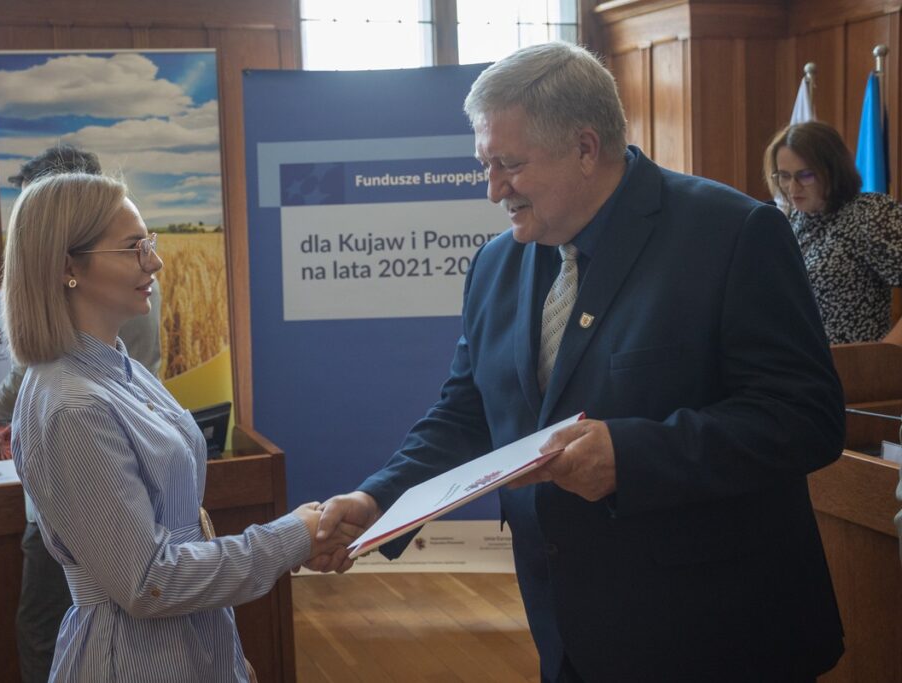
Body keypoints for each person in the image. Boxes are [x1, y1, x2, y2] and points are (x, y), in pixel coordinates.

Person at [310, 42, 845, 682]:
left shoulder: (732, 233)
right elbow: (468, 413)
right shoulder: (496, 264)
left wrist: (632, 457)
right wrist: (379, 500)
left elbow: (806, 418)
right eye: (485, 165)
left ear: (586, 148)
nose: (492, 189)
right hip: (568, 633)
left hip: (718, 634)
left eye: (509, 164)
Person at [2, 172, 356, 681]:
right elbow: (150, 582)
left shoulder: (120, 369)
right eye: (133, 248)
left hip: (186, 646)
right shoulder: (72, 407)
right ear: (67, 267)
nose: (155, 262)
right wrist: (289, 540)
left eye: (149, 243)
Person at [0, 144, 164, 683]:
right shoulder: (134, 292)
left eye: (36, 218)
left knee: (45, 628)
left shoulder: (68, 396)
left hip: (79, 503)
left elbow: (155, 583)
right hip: (139, 474)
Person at [764, 121, 902, 344]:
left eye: (805, 175)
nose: (792, 188)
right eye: (784, 175)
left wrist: (885, 351)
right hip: (800, 360)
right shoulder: (794, 219)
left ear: (833, 170)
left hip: (855, 362)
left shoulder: (870, 214)